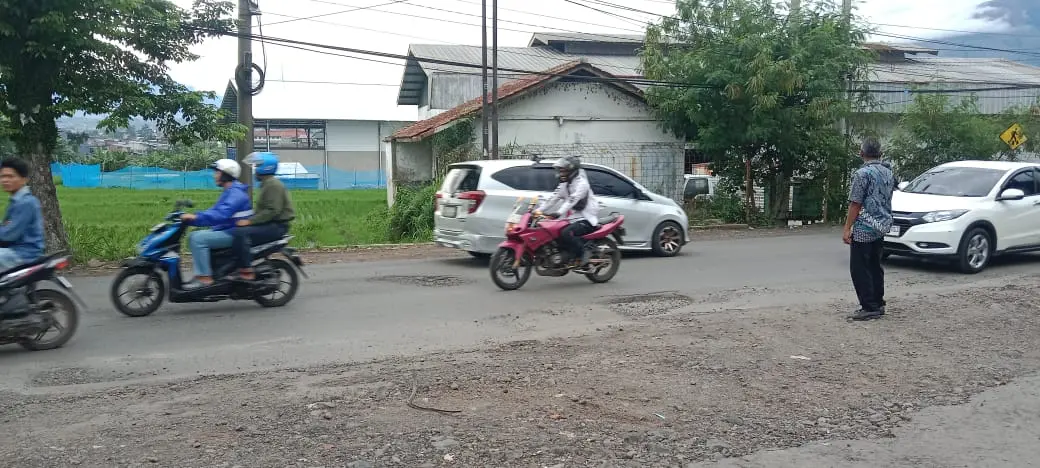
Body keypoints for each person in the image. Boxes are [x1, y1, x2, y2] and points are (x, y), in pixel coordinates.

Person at [843, 137, 896, 321]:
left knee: (860, 267)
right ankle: (878, 302)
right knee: (875, 265)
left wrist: (847, 228)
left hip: (865, 226)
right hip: (882, 225)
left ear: (862, 153)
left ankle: (869, 306)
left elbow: (855, 203)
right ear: (880, 153)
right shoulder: (888, 172)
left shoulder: (862, 174)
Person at [179, 159, 252, 289]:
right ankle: (208, 271)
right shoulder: (230, 191)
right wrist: (195, 217)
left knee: (197, 239)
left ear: (226, 174)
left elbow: (220, 215)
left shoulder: (235, 193)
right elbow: (214, 211)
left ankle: (204, 278)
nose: (214, 176)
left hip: (234, 233)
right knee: (194, 235)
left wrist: (195, 218)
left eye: (217, 172)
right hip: (228, 229)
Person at [229, 152, 295, 281]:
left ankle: (246, 270)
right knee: (237, 231)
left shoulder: (273, 185)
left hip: (276, 226)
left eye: (257, 166)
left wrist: (249, 221)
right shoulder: (267, 184)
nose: (255, 170)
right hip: (271, 224)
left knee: (241, 233)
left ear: (265, 168)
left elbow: (272, 210)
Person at [534, 155, 600, 268]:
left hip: (587, 217)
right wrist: (537, 211)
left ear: (572, 171)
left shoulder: (582, 184)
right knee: (555, 232)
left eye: (563, 171)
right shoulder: (564, 184)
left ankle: (584, 251)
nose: (561, 173)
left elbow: (572, 200)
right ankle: (567, 256)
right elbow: (552, 199)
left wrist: (559, 212)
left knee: (566, 233)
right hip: (574, 217)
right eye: (560, 171)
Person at [0, 158, 44, 272]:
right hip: (15, 249)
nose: (5, 180)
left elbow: (9, 234)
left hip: (23, 253)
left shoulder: (25, 202)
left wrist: (5, 227)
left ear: (24, 179)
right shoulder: (17, 200)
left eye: (10, 176)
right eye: (3, 176)